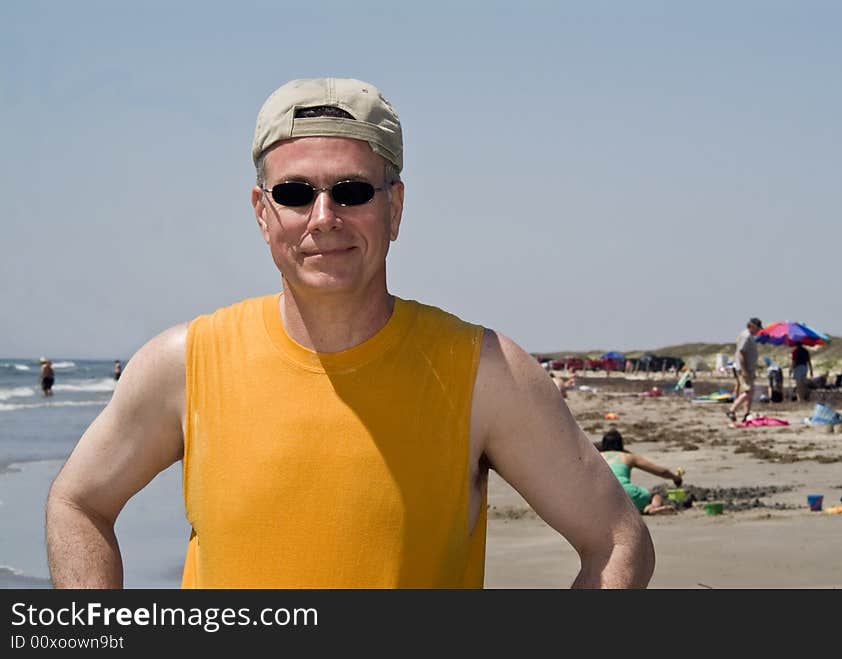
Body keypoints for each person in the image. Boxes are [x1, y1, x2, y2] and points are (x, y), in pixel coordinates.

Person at [45, 77, 654, 589]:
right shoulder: (185, 364)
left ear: (396, 208)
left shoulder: (483, 371)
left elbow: (618, 540)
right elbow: (78, 504)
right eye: (295, 193)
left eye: (353, 191)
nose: (324, 217)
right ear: (262, 212)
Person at [598, 429, 682, 515]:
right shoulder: (628, 457)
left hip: (601, 496)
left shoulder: (596, 456)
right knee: (655, 495)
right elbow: (661, 471)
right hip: (627, 493)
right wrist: (676, 478)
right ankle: (651, 507)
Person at [726, 317, 762, 423]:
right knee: (748, 391)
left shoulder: (750, 336)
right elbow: (741, 353)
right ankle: (732, 410)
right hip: (744, 368)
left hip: (749, 368)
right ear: (752, 327)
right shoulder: (746, 336)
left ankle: (747, 413)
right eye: (757, 328)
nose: (758, 331)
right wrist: (744, 370)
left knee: (750, 392)